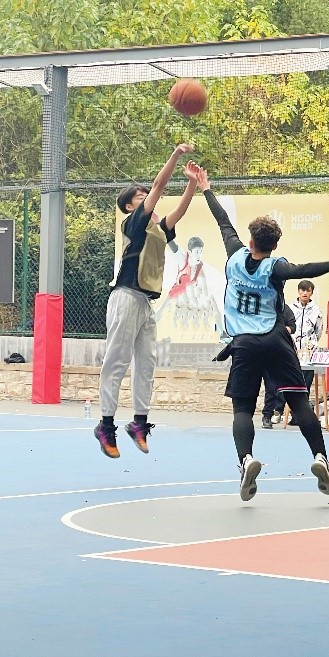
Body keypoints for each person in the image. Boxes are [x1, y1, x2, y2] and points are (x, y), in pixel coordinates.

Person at [196, 166, 329, 501]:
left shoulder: (234, 256)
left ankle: (246, 459)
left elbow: (223, 222)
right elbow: (302, 270)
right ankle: (320, 456)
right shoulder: (276, 268)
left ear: (250, 241)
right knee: (298, 401)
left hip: (244, 343)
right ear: (275, 244)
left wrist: (206, 188)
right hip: (275, 339)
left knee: (243, 408)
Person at [94, 144, 198, 459]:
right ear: (130, 206)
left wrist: (192, 182)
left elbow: (179, 211)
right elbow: (159, 186)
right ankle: (106, 425)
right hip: (125, 295)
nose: (147, 198)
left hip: (144, 302)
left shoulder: (158, 230)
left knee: (146, 362)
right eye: (140, 197)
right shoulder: (134, 223)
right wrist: (176, 155)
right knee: (117, 361)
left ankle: (139, 422)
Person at [286, 279, 323, 425]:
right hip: (292, 350)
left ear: (311, 293)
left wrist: (311, 345)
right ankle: (290, 413)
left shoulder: (316, 311)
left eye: (308, 290)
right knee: (292, 383)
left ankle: (301, 416)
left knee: (305, 384)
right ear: (298, 291)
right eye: (302, 290)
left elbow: (318, 331)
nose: (305, 293)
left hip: (309, 353)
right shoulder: (290, 308)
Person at [261, 305, 297, 429]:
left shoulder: (284, 309)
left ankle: (268, 415)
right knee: (251, 386)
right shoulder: (261, 306)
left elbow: (292, 327)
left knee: (273, 387)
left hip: (277, 353)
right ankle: (246, 415)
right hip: (258, 351)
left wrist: (284, 330)